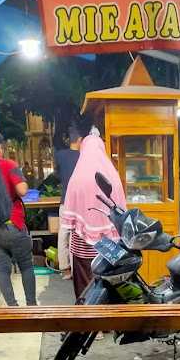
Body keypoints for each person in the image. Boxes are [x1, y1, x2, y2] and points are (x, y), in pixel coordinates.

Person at [60, 133, 126, 300]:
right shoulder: (113, 176)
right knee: (110, 286)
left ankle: (87, 321)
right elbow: (121, 212)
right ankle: (108, 322)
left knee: (85, 290)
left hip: (82, 248)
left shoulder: (77, 178)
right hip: (110, 247)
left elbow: (69, 221)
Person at [0, 130, 37, 307]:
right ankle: (31, 307)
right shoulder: (7, 164)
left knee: (3, 270)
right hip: (13, 224)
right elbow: (22, 191)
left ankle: (12, 308)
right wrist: (24, 182)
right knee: (26, 266)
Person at [54, 118, 92, 280]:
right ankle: (78, 268)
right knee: (79, 235)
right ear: (80, 140)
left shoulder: (60, 155)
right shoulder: (85, 157)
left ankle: (65, 269)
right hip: (81, 203)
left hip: (65, 201)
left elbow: (57, 175)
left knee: (63, 234)